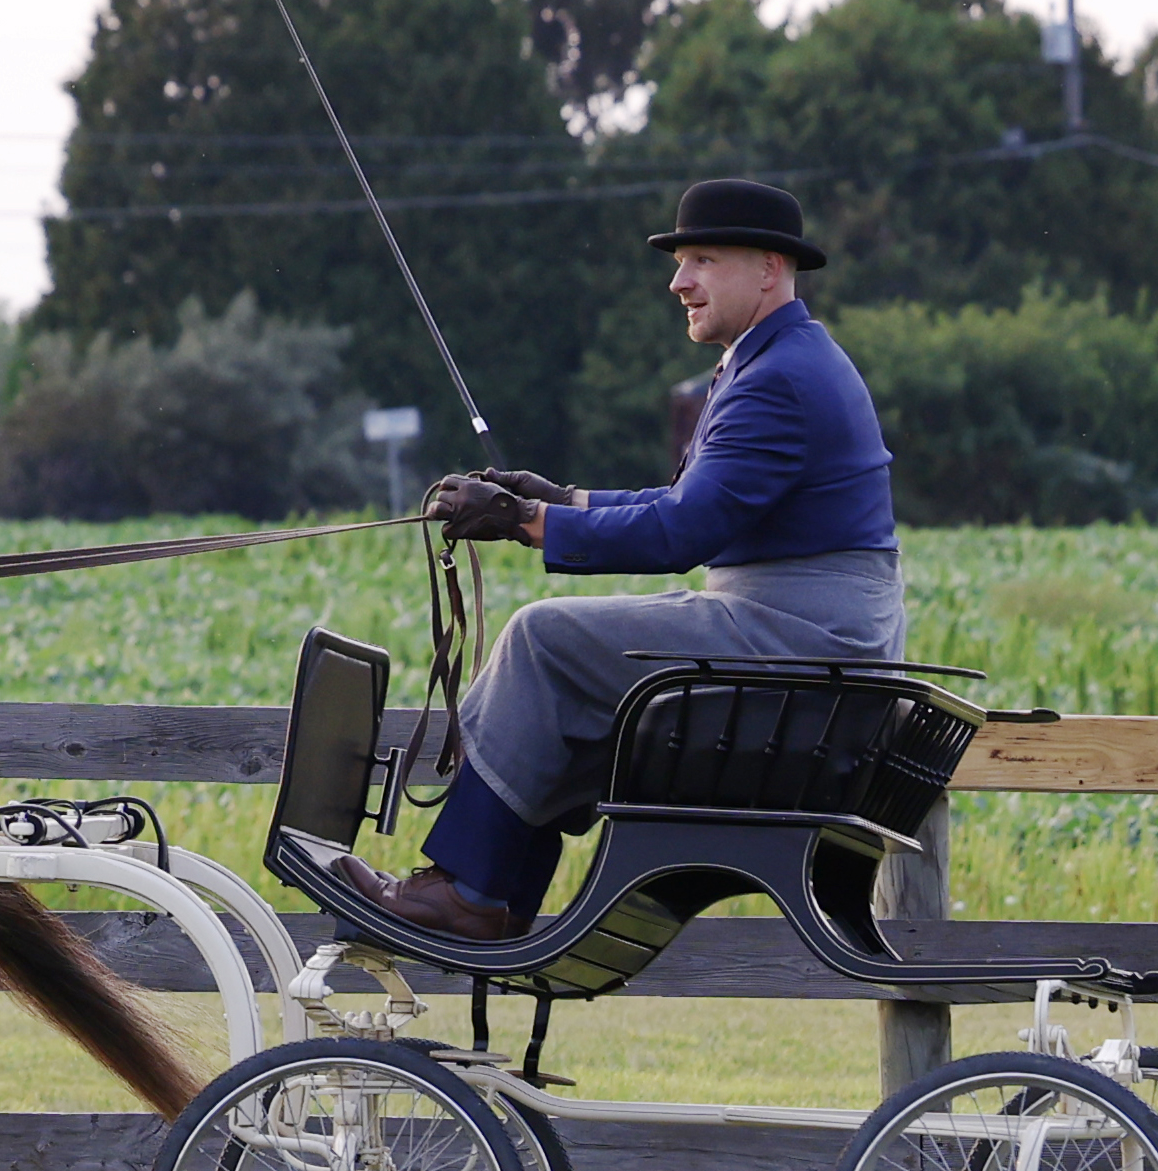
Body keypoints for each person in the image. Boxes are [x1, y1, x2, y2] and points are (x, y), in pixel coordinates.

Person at [345, 178, 902, 942]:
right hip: (793, 630)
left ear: (769, 268)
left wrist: (525, 521)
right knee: (565, 666)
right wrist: (558, 500)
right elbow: (681, 502)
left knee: (544, 640)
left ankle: (473, 892)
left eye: (702, 259)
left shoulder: (779, 379)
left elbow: (679, 534)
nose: (678, 281)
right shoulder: (773, 359)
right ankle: (489, 891)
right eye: (680, 261)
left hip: (803, 644)